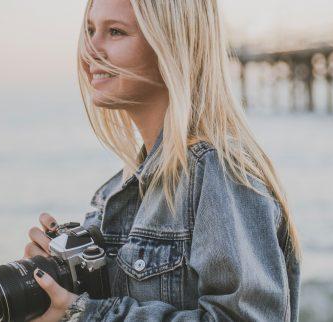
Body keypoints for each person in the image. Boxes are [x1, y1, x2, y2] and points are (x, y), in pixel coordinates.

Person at [22, 0, 301, 320]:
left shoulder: (217, 174)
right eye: (90, 30)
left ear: (170, 45)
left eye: (115, 32)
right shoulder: (121, 189)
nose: (90, 50)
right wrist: (58, 284)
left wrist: (82, 314)